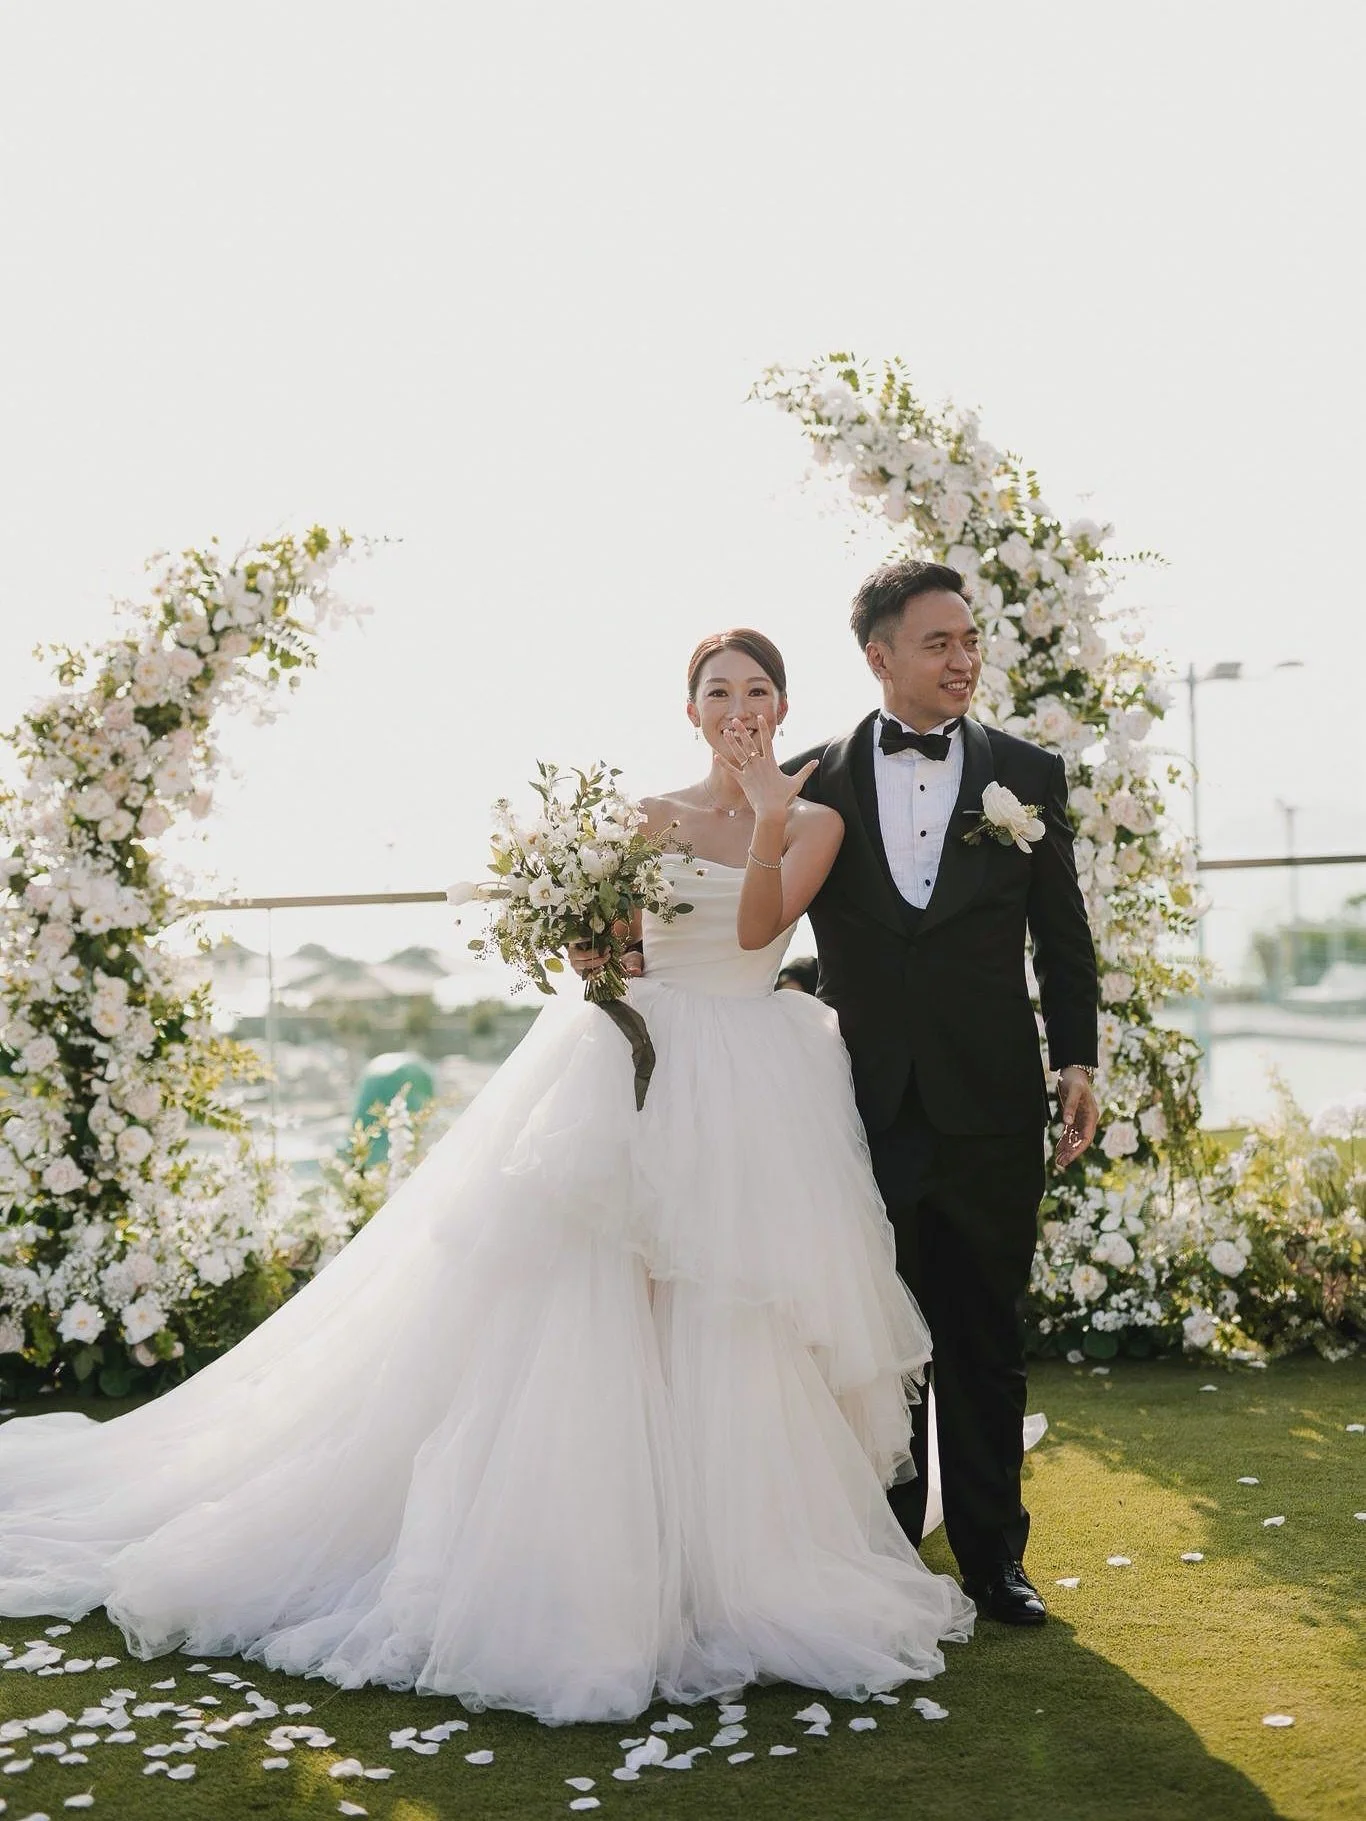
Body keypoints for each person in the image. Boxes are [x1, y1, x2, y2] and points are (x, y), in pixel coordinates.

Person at [0, 629, 972, 1726]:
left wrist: (759, 811)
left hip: (758, 1070)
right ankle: (602, 1553)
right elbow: (610, 948)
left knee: (736, 1316)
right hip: (639, 1065)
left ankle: (736, 1556)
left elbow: (761, 925)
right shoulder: (639, 817)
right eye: (717, 691)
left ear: (785, 709)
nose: (737, 706)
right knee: (608, 1306)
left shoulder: (816, 818)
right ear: (687, 708)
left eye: (756, 690)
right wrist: (595, 953)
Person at [787, 559, 1099, 1626]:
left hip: (990, 1106)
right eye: (937, 642)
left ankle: (993, 1562)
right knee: (879, 1348)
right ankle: (886, 1561)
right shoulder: (809, 781)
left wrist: (1078, 1061)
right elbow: (752, 925)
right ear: (878, 657)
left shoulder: (1028, 774)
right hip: (857, 1112)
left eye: (969, 640)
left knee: (983, 1339)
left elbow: (1063, 942)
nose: (962, 659)